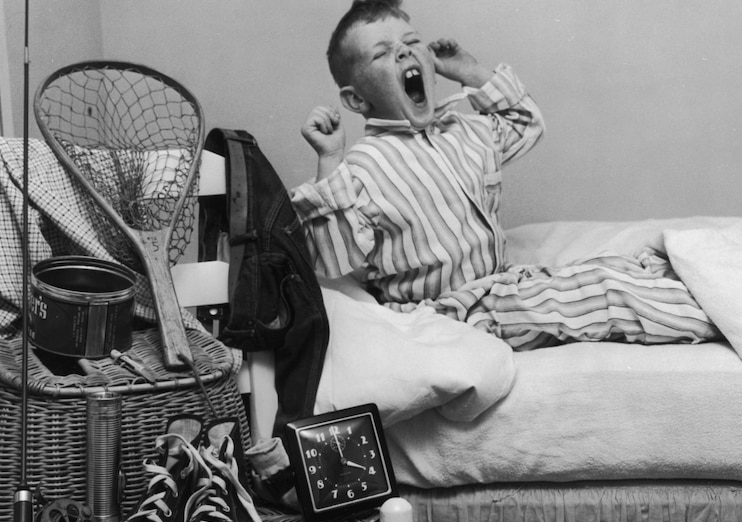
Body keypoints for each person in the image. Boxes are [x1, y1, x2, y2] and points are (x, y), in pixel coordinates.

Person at [289, 0, 718, 350]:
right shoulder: (362, 167)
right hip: (453, 314)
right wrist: (330, 158)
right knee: (602, 293)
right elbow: (332, 260)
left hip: (504, 287)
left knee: (618, 267)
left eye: (412, 42)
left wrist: (469, 70)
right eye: (382, 53)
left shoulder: (467, 132)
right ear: (356, 100)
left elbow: (525, 122)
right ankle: (721, 318)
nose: (403, 52)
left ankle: (702, 286)